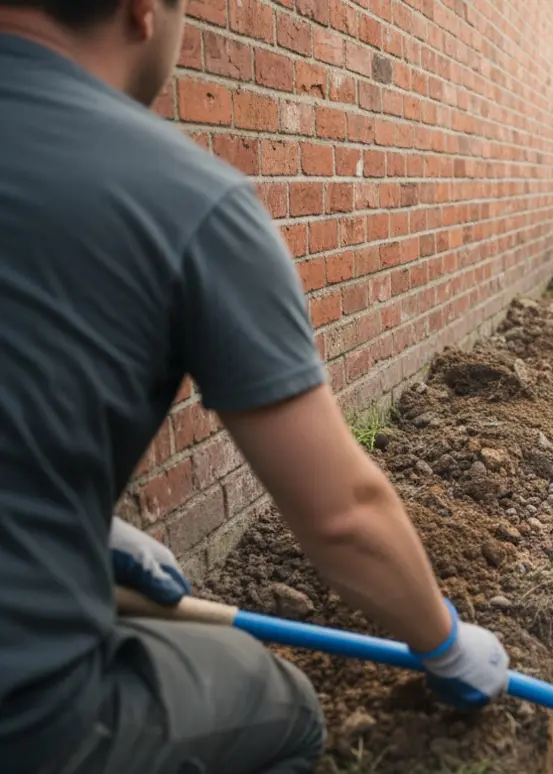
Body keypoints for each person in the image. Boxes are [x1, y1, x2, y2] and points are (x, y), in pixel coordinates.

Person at [0, 0, 510, 769]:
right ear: (144, 11)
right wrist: (445, 643)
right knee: (281, 707)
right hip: (26, 720)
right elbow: (341, 518)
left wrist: (80, 527)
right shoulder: (182, 196)